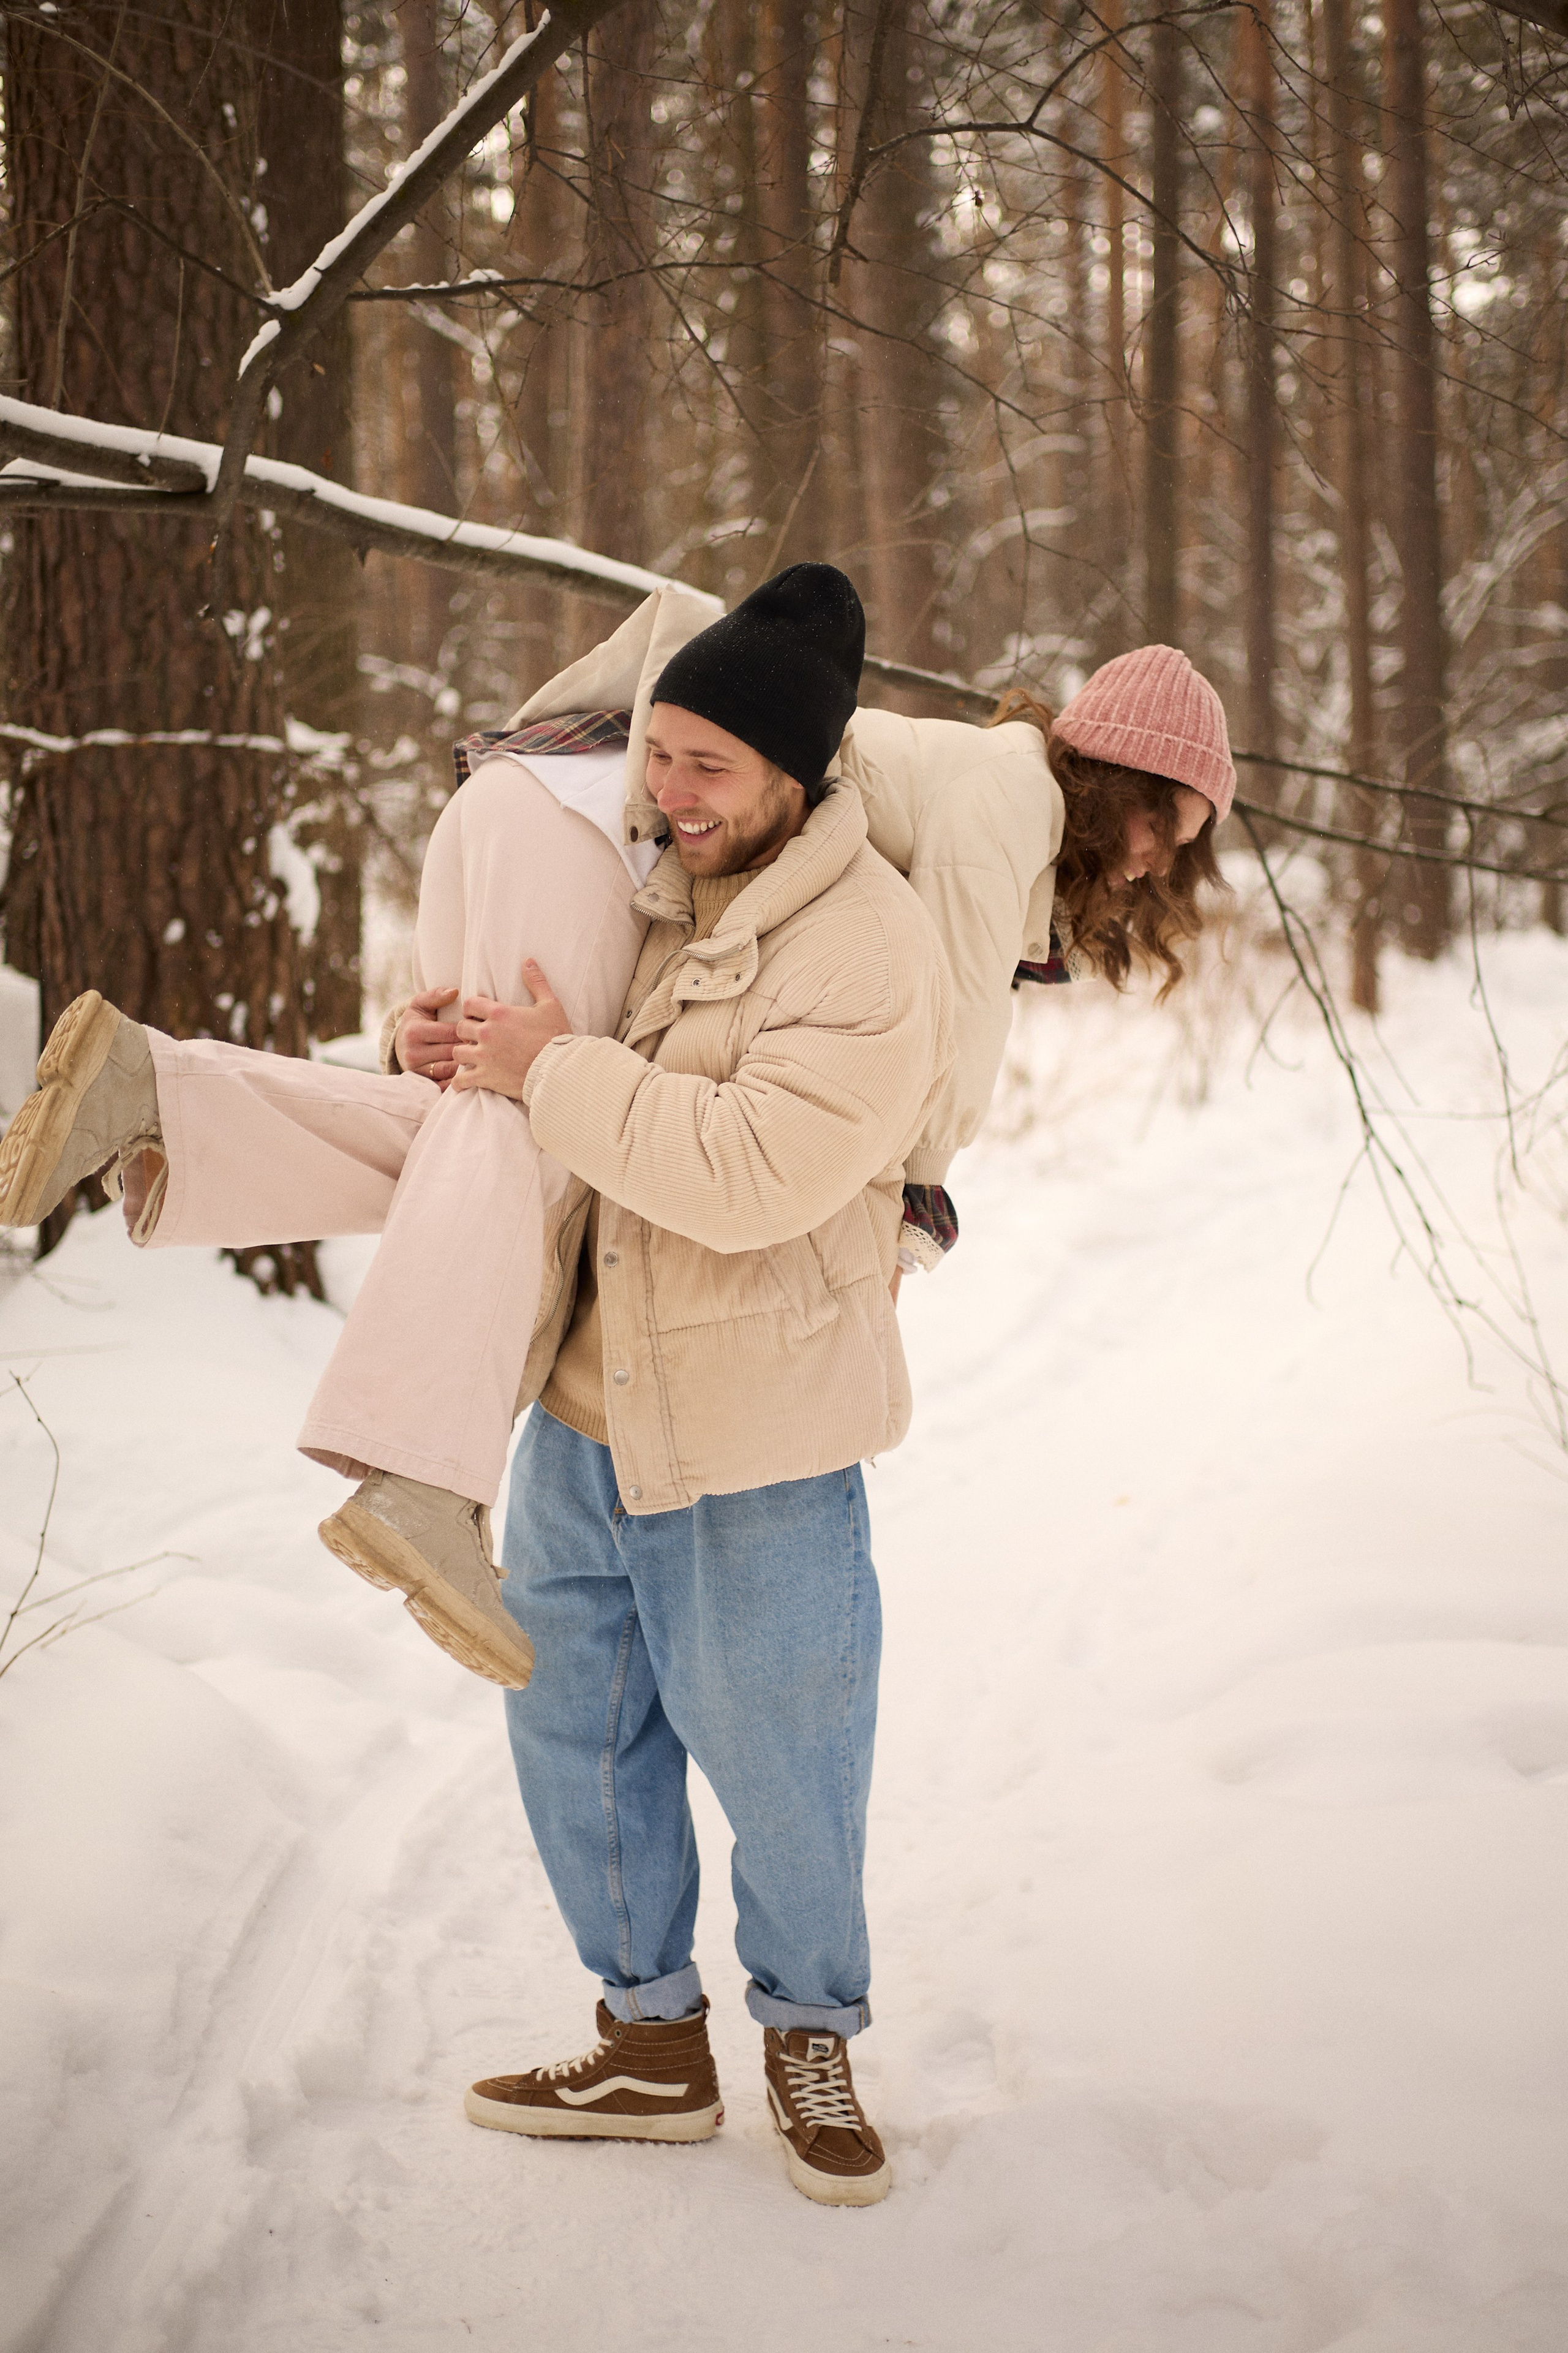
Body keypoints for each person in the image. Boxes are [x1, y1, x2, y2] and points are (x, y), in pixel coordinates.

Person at [0, 572, 1234, 2207]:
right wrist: (458, 1041)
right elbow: (597, 1096)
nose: (1155, 849)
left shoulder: (858, 924)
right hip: (599, 1373)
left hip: (759, 1410)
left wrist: (883, 1200)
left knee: (785, 1743)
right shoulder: (737, 863)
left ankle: (809, 2030)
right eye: (1155, 814)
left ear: (795, 775)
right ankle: (648, 2030)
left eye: (1180, 833)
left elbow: (761, 1146)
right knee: (576, 1723)